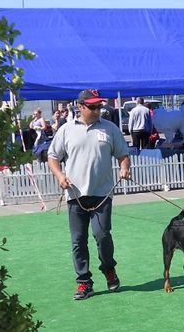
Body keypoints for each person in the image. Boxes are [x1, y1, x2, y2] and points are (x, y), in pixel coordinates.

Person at [48, 89, 131, 301]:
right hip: (75, 195)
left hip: (102, 193)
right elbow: (53, 156)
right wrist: (60, 176)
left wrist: (124, 168)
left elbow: (123, 154)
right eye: (92, 107)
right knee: (78, 241)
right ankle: (84, 282)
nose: (97, 110)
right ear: (80, 106)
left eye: (99, 106)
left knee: (102, 235)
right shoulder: (66, 130)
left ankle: (109, 270)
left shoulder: (110, 128)